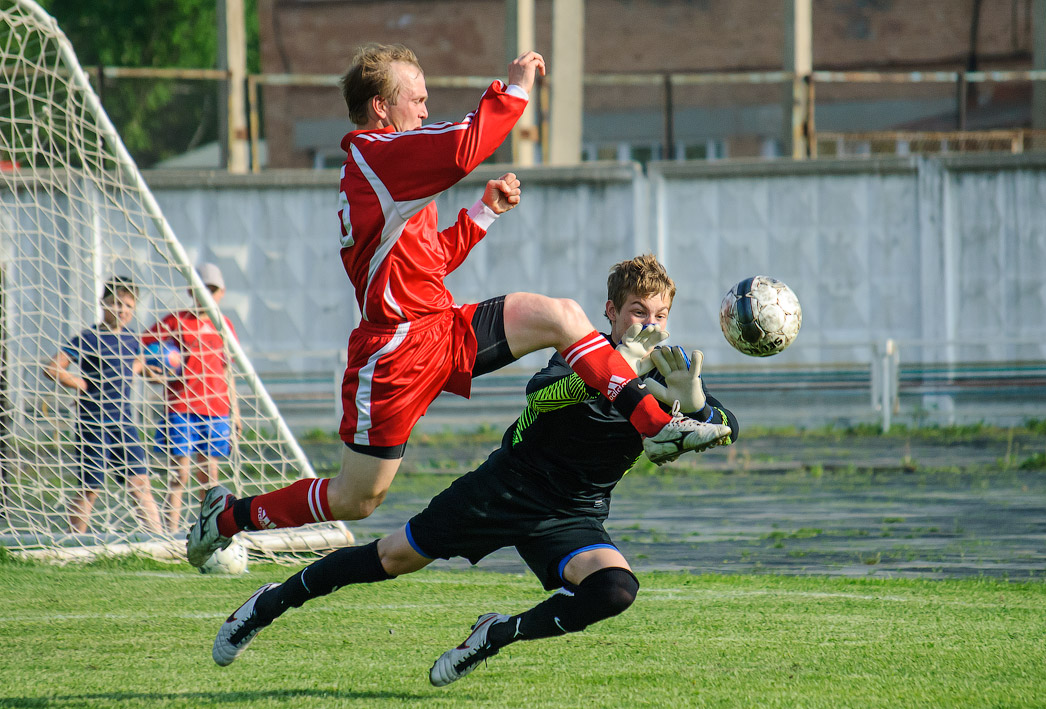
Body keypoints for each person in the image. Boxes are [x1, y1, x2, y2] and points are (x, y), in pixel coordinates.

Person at [185, 44, 729, 567]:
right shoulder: (380, 155)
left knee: (562, 316)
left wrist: (484, 212)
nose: (425, 109)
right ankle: (226, 519)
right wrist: (514, 89)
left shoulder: (385, 173)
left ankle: (654, 422)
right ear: (381, 107)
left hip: (440, 328)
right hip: (394, 353)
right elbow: (463, 145)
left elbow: (428, 260)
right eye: (416, 99)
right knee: (358, 499)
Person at [210, 255, 738, 687]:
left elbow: (727, 423)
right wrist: (618, 366)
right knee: (391, 557)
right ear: (612, 312)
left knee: (616, 589)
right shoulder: (586, 353)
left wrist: (694, 401)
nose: (651, 324)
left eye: (660, 314)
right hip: (503, 490)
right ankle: (267, 603)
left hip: (572, 515)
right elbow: (543, 394)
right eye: (638, 311)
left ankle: (495, 634)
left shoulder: (668, 373)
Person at [43, 276, 163, 534]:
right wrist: (81, 384)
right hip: (94, 423)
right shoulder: (88, 338)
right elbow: (54, 368)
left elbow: (133, 365)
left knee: (140, 483)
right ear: (103, 303)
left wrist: (152, 372)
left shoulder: (132, 339)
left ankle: (159, 539)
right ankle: (73, 542)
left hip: (124, 422)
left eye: (128, 305)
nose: (122, 310)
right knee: (90, 488)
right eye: (116, 303)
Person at [142, 262, 237, 534]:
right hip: (182, 407)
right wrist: (153, 372)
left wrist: (235, 413)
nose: (207, 294)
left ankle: (207, 531)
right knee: (179, 475)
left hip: (217, 408)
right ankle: (171, 533)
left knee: (209, 477)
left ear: (222, 293)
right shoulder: (175, 321)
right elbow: (141, 347)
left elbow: (228, 370)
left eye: (212, 289)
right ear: (191, 291)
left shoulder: (224, 324)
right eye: (201, 289)